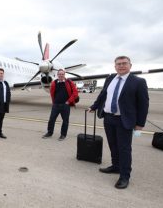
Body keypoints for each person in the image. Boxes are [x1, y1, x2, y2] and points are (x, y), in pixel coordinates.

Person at [88, 56, 149, 189]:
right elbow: (103, 95)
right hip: (108, 118)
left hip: (124, 120)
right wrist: (93, 106)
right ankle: (116, 166)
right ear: (115, 66)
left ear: (130, 65)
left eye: (124, 63)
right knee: (113, 145)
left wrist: (140, 125)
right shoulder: (110, 79)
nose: (121, 66)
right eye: (118, 64)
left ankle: (124, 176)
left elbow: (143, 105)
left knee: (124, 149)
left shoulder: (138, 82)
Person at [42, 69, 78, 141]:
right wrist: (54, 102)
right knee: (51, 119)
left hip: (65, 105)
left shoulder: (69, 82)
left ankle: (63, 135)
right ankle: (49, 133)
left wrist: (69, 101)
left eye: (62, 74)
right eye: (59, 74)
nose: (61, 75)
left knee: (65, 121)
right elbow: (52, 93)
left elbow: (75, 93)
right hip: (56, 105)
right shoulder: (54, 83)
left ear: (64, 75)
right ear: (57, 75)